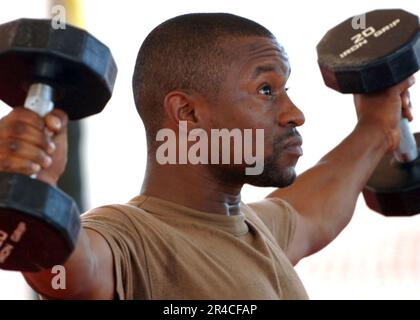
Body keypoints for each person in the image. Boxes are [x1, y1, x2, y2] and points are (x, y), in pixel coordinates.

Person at [0, 13, 415, 300]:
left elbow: (317, 206)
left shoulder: (256, 227)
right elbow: (69, 270)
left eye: (285, 91)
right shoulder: (128, 237)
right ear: (188, 114)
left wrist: (378, 125)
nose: (295, 114)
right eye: (267, 91)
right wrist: (33, 189)